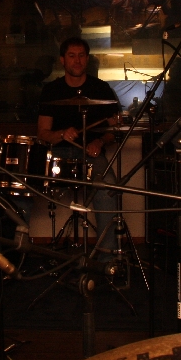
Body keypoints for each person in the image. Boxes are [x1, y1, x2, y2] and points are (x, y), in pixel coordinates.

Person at [37, 37, 120, 245]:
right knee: (21, 185)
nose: (77, 60)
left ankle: (106, 257)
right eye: (72, 56)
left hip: (91, 156)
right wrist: (61, 134)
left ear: (87, 59)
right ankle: (18, 251)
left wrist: (100, 142)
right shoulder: (51, 90)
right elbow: (43, 133)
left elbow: (114, 131)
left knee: (108, 188)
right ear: (62, 60)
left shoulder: (101, 89)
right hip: (58, 155)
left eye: (81, 55)